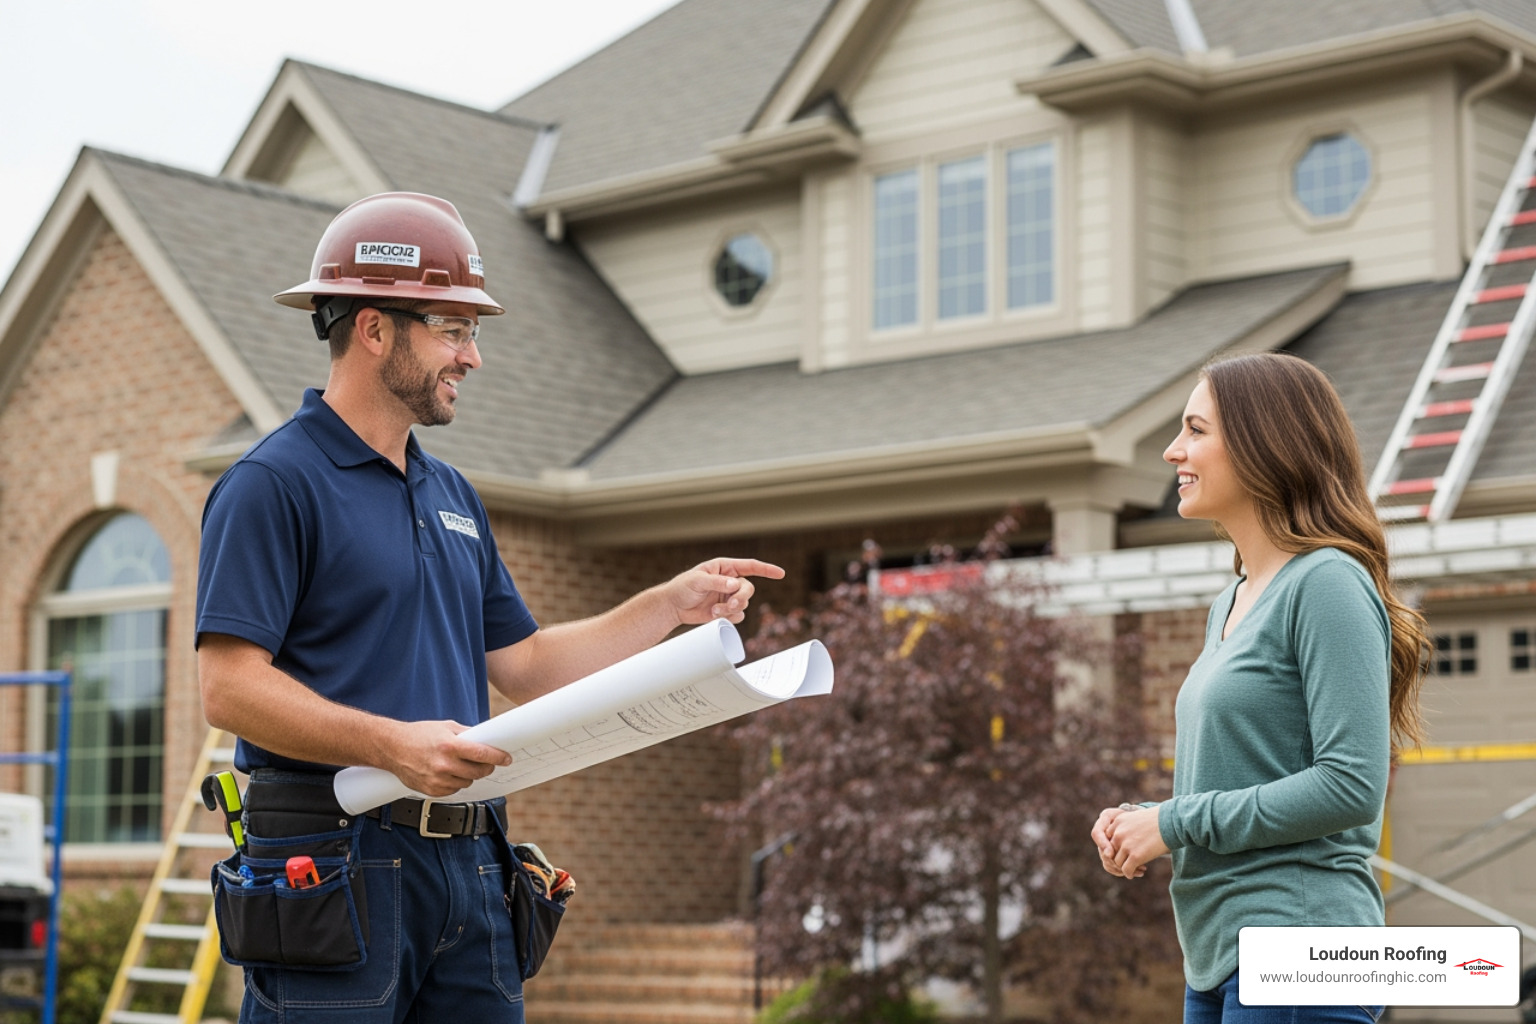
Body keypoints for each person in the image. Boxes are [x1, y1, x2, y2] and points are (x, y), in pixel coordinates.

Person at [195, 192, 784, 1023]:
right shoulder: (272, 484)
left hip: (471, 867)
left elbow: (529, 666)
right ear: (374, 329)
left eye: (472, 332)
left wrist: (668, 604)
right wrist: (392, 746)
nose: (472, 356)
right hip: (332, 865)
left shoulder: (452, 495)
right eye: (453, 328)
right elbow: (228, 688)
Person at [1090, 353, 1430, 1024]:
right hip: (1218, 955)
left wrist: (1174, 822)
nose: (1172, 451)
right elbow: (1247, 775)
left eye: (1195, 430)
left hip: (1298, 946)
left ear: (1263, 443)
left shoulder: (1326, 582)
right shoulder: (1233, 600)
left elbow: (1350, 786)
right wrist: (1145, 820)